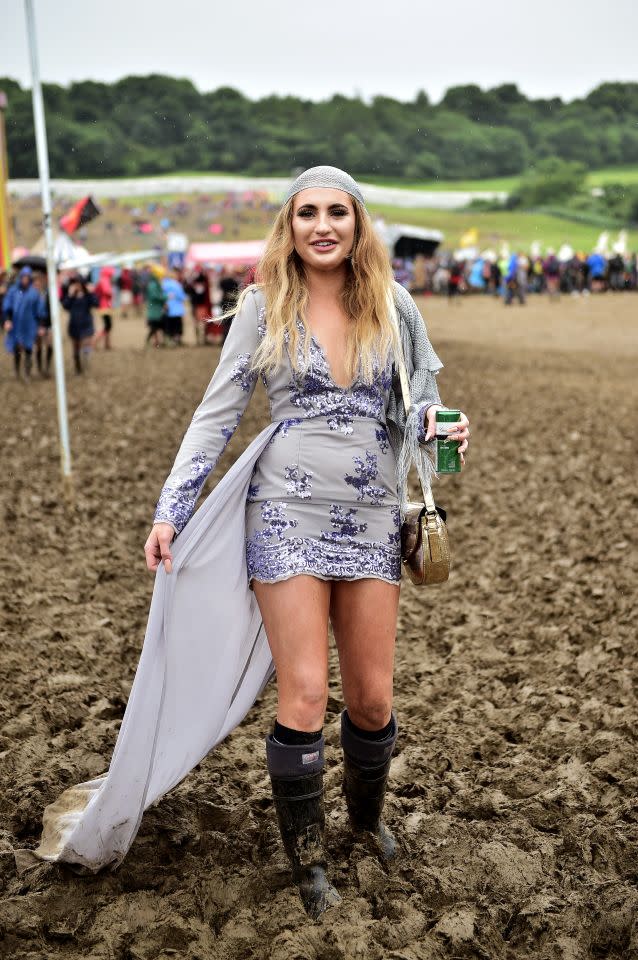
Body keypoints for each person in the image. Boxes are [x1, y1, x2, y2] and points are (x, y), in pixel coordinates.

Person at [35, 168, 469, 920]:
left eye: (339, 212)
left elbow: (419, 406)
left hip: (369, 514)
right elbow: (215, 416)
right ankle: (308, 862)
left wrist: (442, 428)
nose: (323, 225)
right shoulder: (263, 307)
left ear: (359, 224)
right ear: (289, 225)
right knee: (304, 694)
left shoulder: (395, 307)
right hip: (284, 513)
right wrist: (171, 508)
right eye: (308, 213)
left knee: (371, 699)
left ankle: (367, 824)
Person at [2, 266, 45, 380]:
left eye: (27, 277)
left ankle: (27, 373)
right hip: (16, 324)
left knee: (28, 348)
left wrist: (40, 325)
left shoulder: (34, 293)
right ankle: (17, 372)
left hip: (29, 325)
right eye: (23, 277)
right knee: (17, 348)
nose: (25, 280)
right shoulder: (13, 291)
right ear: (20, 278)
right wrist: (7, 320)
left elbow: (39, 310)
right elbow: (7, 306)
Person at [61, 276, 97, 374]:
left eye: (78, 283)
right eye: (75, 283)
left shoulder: (87, 295)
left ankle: (86, 361)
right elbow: (65, 306)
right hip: (74, 325)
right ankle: (78, 367)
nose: (77, 285)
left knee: (86, 342)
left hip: (86, 324)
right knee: (75, 348)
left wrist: (91, 292)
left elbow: (95, 303)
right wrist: (70, 295)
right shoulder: (71, 296)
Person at [161, 269, 187, 346]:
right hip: (177, 309)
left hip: (167, 308)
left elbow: (161, 296)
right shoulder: (176, 284)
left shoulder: (163, 284)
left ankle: (169, 339)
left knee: (169, 325)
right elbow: (182, 296)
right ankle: (177, 339)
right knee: (177, 326)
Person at [144, 265, 167, 347]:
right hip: (154, 310)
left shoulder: (155, 284)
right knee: (154, 327)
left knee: (157, 327)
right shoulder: (153, 285)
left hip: (156, 310)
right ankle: (152, 342)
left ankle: (157, 342)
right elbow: (155, 296)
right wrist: (166, 297)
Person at [94, 266, 115, 349]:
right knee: (108, 326)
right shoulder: (105, 280)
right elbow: (107, 292)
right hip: (105, 306)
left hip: (104, 306)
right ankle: (94, 342)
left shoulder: (102, 279)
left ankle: (107, 344)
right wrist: (111, 294)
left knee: (108, 326)